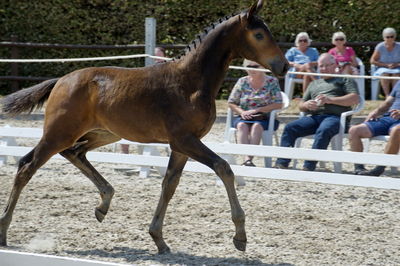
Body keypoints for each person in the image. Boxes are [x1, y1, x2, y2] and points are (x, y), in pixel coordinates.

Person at [275, 53, 359, 171]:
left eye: (326, 65)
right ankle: (282, 163)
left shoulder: (344, 79)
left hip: (335, 118)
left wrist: (330, 100)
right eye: (321, 66)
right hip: (315, 117)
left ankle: (309, 166)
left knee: (324, 129)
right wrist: (307, 105)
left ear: (335, 65)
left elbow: (354, 98)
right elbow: (301, 105)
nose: (323, 68)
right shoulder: (314, 83)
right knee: (290, 128)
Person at [228, 59, 283, 167]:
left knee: (256, 126)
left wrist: (257, 110)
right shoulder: (242, 81)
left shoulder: (272, 82)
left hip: (264, 117)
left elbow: (278, 104)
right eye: (249, 66)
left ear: (263, 67)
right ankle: (246, 159)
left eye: (255, 66)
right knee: (241, 125)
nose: (252, 68)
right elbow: (231, 103)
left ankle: (249, 159)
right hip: (244, 117)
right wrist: (242, 112)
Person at [121, 46, 167, 154]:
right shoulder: (146, 70)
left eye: (158, 57)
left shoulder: (169, 70)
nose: (156, 60)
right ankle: (125, 155)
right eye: (154, 57)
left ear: (165, 57)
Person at [348, 81, 400, 176]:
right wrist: (376, 111)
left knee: (397, 130)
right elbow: (388, 102)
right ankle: (359, 168)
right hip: (389, 117)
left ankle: (380, 168)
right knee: (354, 130)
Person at [370, 27, 400, 98]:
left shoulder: (399, 46)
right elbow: (372, 61)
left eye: (391, 36)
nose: (389, 39)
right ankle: (387, 96)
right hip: (383, 67)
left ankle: (394, 95)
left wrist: (397, 64)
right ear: (384, 38)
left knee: (396, 74)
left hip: (397, 67)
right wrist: (385, 65)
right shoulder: (380, 47)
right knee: (384, 74)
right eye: (387, 37)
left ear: (394, 37)